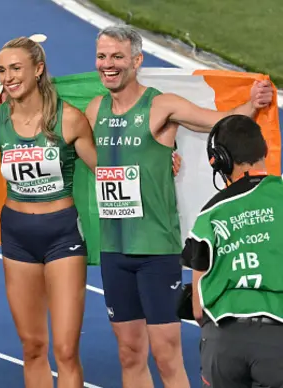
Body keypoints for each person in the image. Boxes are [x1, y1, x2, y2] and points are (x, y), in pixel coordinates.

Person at [83, 25, 274, 388]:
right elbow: (61, 133)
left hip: (155, 251)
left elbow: (218, 123)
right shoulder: (95, 109)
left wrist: (252, 103)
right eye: (102, 56)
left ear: (137, 61)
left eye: (117, 57)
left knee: (166, 355)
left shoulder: (161, 105)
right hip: (114, 251)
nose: (108, 65)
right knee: (129, 353)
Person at [0, 36, 97, 388]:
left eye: (16, 68)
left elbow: (107, 172)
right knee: (32, 347)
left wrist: (159, 158)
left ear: (38, 70)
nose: (8, 77)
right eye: (2, 70)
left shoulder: (70, 120)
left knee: (65, 349)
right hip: (16, 235)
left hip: (62, 234)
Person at [181, 114, 283, 388]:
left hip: (224, 341)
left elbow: (198, 308)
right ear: (265, 150)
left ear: (220, 161)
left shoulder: (208, 215)